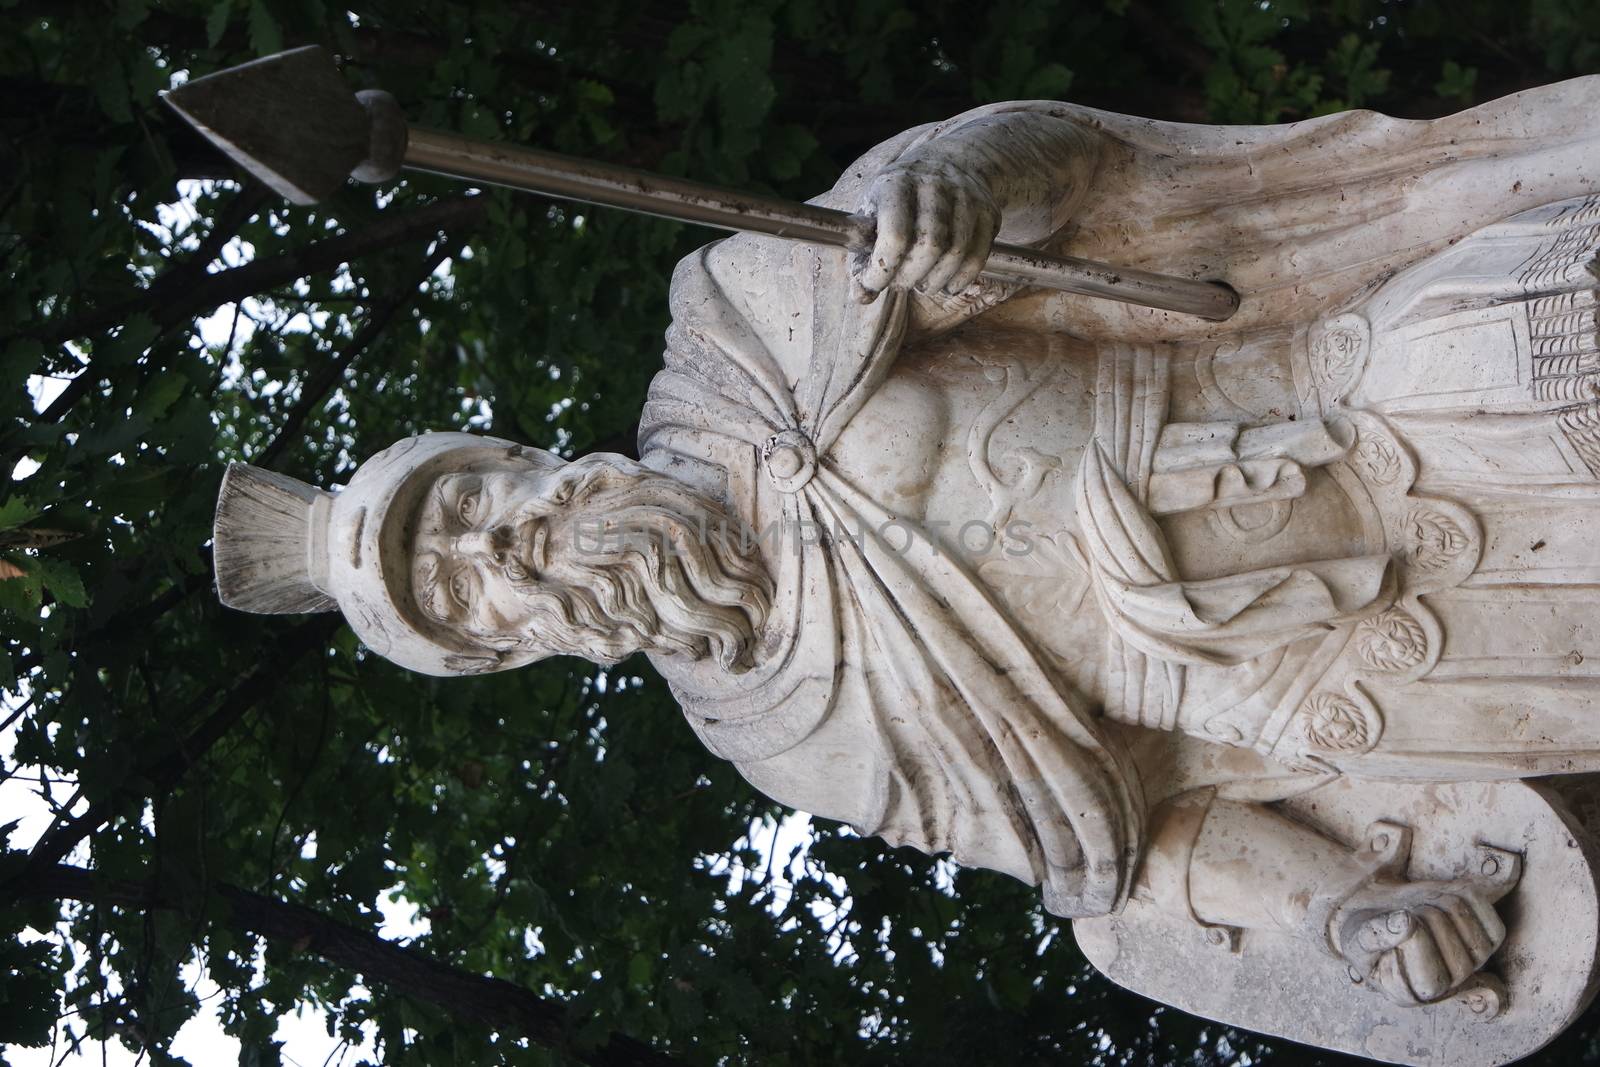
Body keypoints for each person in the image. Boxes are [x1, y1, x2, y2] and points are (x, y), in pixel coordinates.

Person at [213, 77, 1600, 1010]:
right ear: (500, 653)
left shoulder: (739, 336)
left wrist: (961, 182)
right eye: (456, 598)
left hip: (1378, 400)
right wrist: (1346, 907)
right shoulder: (786, 735)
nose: (494, 555)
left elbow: (1073, 174)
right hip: (1399, 671)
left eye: (453, 513)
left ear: (501, 457)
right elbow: (1132, 829)